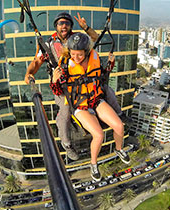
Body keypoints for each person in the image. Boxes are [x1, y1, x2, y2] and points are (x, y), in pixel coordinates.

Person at [24, 12, 125, 161]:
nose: (64, 25)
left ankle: (119, 117)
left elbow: (96, 39)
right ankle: (66, 143)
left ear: (71, 26)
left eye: (67, 23)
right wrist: (29, 73)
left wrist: (86, 28)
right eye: (60, 23)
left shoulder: (78, 38)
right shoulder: (49, 44)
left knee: (106, 89)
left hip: (83, 82)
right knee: (65, 110)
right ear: (56, 26)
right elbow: (36, 61)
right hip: (62, 84)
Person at [51, 32, 130, 181]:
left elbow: (102, 77)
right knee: (99, 135)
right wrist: (54, 80)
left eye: (80, 55)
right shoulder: (66, 66)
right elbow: (58, 91)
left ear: (86, 52)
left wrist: (110, 64)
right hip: (81, 106)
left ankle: (119, 149)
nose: (76, 58)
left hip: (96, 100)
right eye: (73, 54)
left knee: (119, 126)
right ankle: (93, 164)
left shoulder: (94, 58)